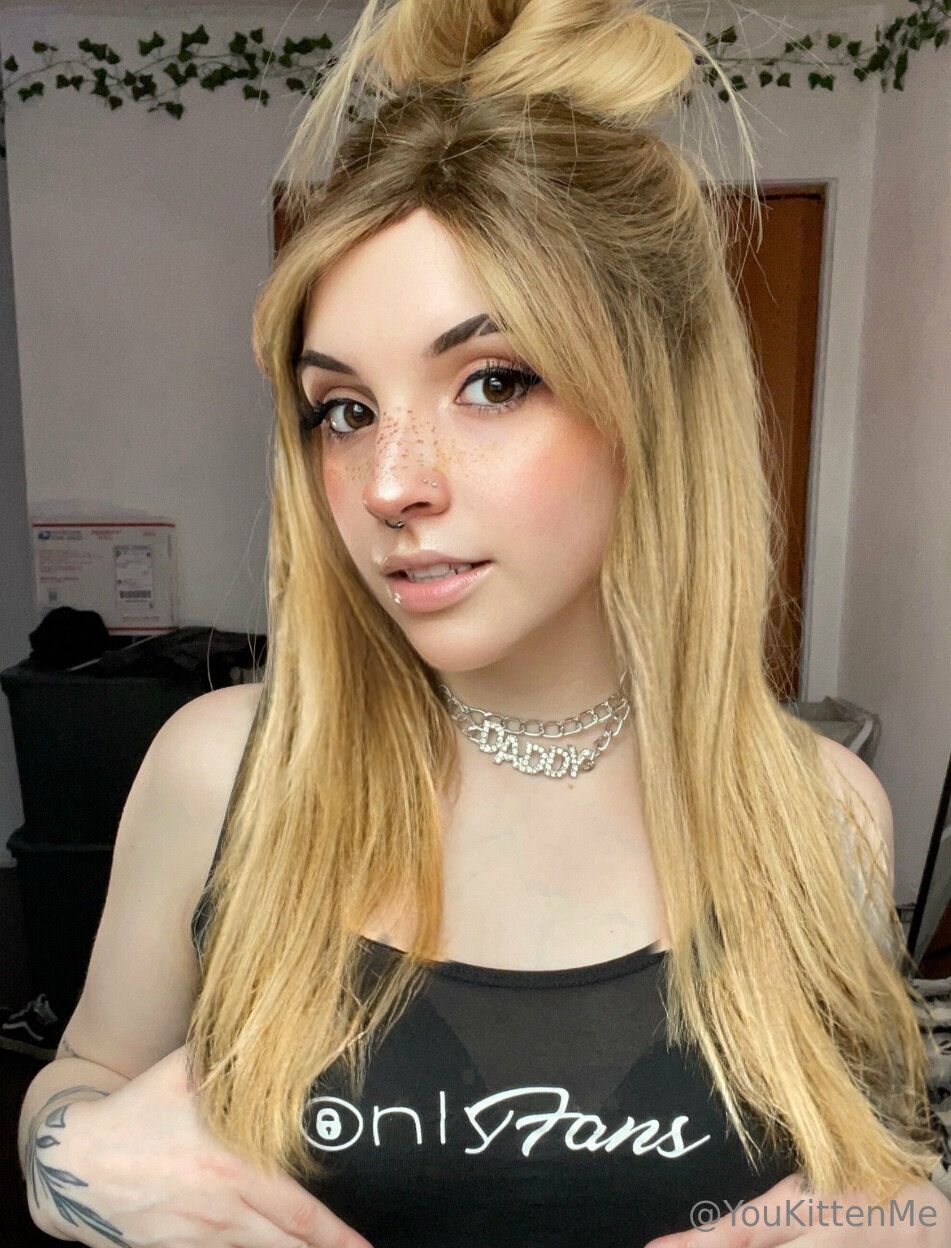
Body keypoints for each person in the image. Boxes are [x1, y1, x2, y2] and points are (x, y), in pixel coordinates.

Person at [18, 1, 950, 1245]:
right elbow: (82, 1076)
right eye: (344, 409)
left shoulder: (820, 815)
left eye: (493, 382)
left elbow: (874, 1169)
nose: (390, 483)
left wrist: (909, 1216)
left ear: (653, 407)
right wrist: (67, 1161)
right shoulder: (222, 770)